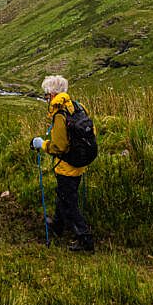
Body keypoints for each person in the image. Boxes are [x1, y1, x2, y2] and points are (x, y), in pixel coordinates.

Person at [30, 75, 94, 252]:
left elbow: (59, 146)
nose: (45, 98)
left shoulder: (60, 114)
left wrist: (41, 144)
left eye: (45, 95)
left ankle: (85, 238)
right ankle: (57, 226)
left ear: (52, 94)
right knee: (64, 195)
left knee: (69, 202)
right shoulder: (77, 106)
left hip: (67, 166)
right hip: (79, 162)